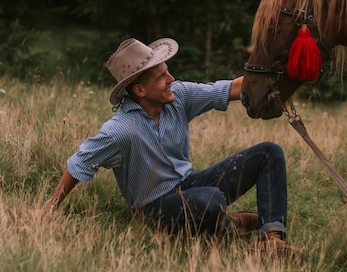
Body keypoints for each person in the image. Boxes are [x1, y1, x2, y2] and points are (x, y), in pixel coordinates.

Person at [45, 38, 301, 260]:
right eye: (161, 77)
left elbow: (228, 89)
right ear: (139, 90)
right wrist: (49, 209)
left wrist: (284, 77)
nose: (171, 79)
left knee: (268, 153)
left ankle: (271, 240)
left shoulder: (177, 96)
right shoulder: (121, 129)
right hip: (154, 209)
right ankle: (228, 225)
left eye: (167, 72)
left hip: (190, 183)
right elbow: (79, 163)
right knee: (211, 200)